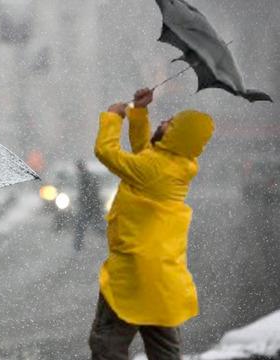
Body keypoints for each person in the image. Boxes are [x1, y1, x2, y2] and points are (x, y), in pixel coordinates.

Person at [89, 88, 214, 359]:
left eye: (170, 124)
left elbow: (105, 152)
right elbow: (144, 152)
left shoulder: (154, 171)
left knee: (107, 345)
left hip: (134, 274)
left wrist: (113, 117)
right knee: (164, 352)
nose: (163, 122)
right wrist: (138, 112)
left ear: (177, 137)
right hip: (163, 280)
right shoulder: (174, 164)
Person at [73, 159, 105, 251]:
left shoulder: (85, 177)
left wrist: (85, 202)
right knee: (96, 225)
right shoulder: (87, 176)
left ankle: (77, 246)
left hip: (89, 206)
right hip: (92, 206)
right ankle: (78, 245)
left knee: (82, 226)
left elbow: (89, 193)